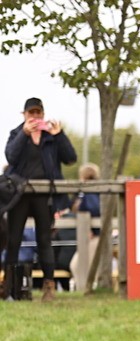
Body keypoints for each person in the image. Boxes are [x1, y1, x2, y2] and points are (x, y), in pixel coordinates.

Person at [4, 97, 77, 301]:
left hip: (44, 194)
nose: (35, 117)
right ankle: (10, 287)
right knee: (14, 240)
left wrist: (59, 135)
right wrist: (24, 135)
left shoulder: (51, 137)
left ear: (43, 114)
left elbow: (70, 158)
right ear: (24, 115)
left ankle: (49, 286)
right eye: (31, 114)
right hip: (20, 194)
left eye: (38, 113)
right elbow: (11, 157)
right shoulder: (16, 134)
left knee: (44, 240)